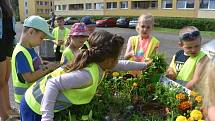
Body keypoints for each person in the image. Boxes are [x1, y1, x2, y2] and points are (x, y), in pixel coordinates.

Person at [19, 30, 153, 121]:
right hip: (34, 106)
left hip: (40, 102)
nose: (117, 61)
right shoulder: (87, 75)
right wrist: (47, 118)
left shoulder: (98, 63)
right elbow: (52, 83)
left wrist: (143, 65)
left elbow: (123, 65)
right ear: (109, 60)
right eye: (116, 58)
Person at [11, 15, 60, 104]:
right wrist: (48, 68)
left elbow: (34, 64)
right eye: (41, 38)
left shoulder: (30, 48)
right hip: (25, 99)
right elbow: (29, 78)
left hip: (31, 97)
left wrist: (44, 63)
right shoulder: (21, 53)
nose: (41, 42)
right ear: (31, 32)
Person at [0, 0, 18, 120]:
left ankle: (8, 108)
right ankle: (4, 115)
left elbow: (11, 27)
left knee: (5, 80)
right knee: (0, 82)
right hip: (0, 45)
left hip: (8, 44)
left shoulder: (8, 5)